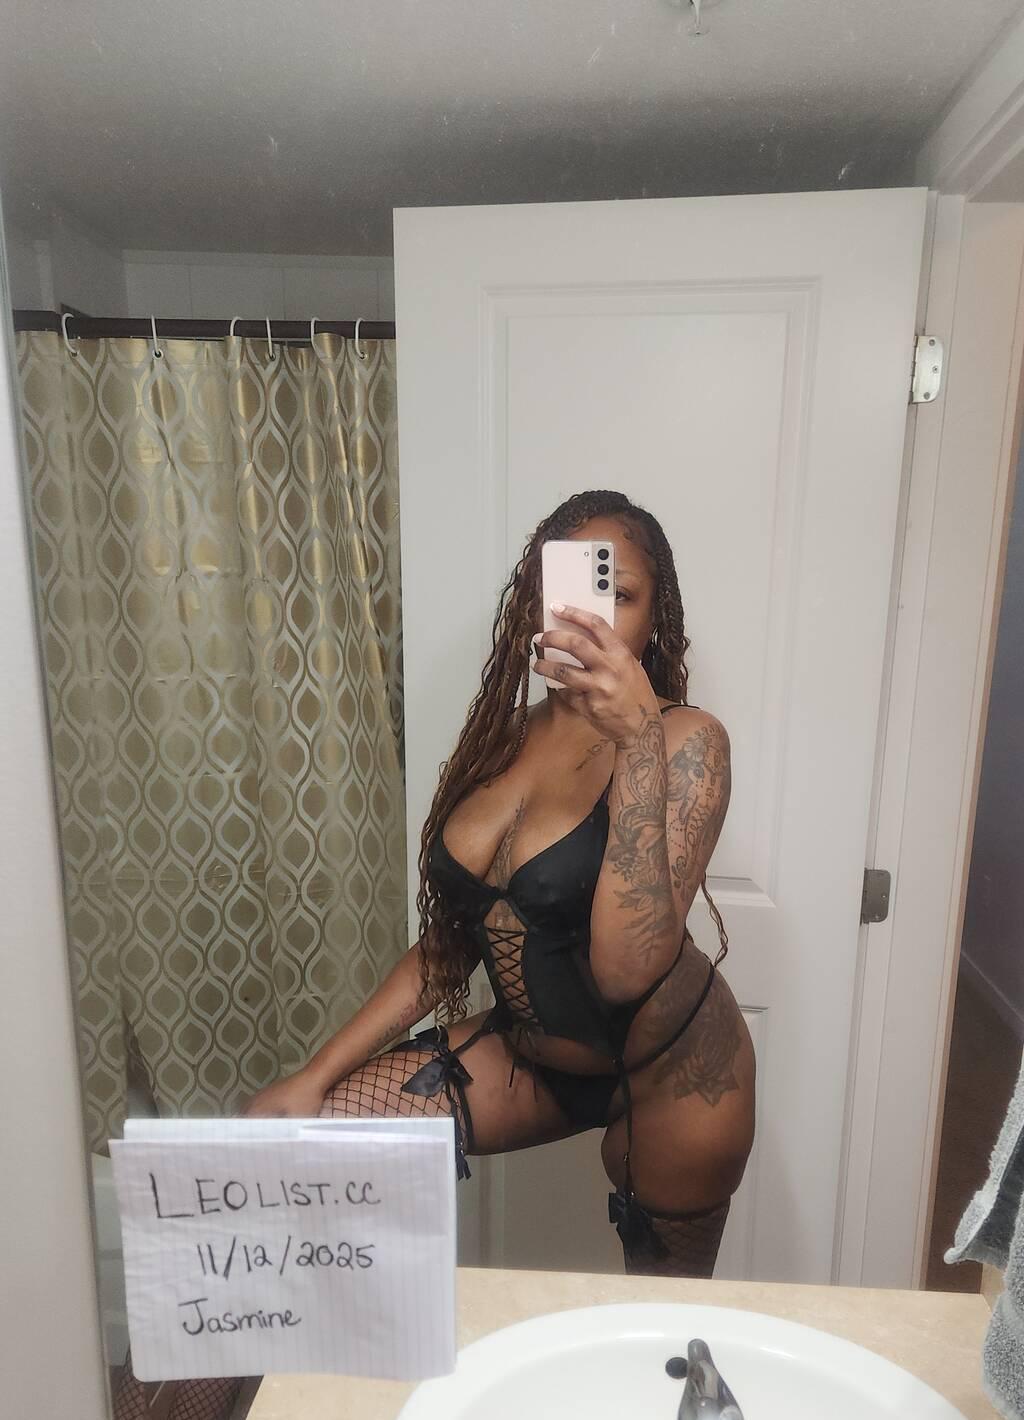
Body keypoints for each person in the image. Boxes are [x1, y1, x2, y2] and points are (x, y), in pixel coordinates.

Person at [112, 488, 755, 1420]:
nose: (594, 616)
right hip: (538, 1057)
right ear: (536, 604)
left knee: (667, 1347)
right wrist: (313, 1075)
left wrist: (638, 743)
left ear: (656, 618)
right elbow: (452, 940)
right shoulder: (507, 738)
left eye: (621, 595)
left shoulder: (688, 742)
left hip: (679, 1076)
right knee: (289, 1163)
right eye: (573, 590)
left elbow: (625, 969)